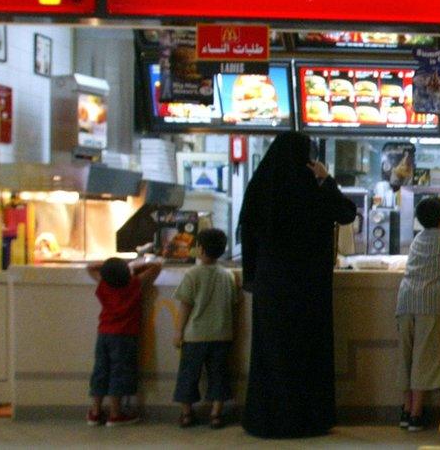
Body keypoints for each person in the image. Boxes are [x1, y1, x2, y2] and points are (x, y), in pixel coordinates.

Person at [240, 131, 358, 438]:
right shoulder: (311, 187)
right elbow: (346, 213)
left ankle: (267, 419)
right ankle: (307, 419)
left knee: (271, 353)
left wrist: (252, 278)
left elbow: (248, 238)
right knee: (307, 352)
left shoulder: (260, 186)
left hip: (270, 285)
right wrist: (326, 179)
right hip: (309, 286)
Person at [172, 228, 238, 429]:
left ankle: (186, 414)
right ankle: (216, 414)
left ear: (199, 249)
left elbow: (185, 304)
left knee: (188, 376)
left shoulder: (192, 274)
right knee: (219, 376)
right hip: (221, 335)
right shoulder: (228, 275)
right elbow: (234, 303)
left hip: (195, 336)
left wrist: (178, 331)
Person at [86, 256, 163, 427]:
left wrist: (111, 266)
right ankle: (115, 413)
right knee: (118, 373)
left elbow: (90, 267)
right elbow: (157, 266)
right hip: (125, 336)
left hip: (104, 334)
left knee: (101, 371)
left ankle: (95, 412)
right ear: (126, 273)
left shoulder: (103, 284)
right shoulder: (134, 284)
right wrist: (134, 266)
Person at [395, 197, 440, 432]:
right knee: (424, 358)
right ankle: (417, 414)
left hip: (406, 299)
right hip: (430, 302)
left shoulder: (418, 238)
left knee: (406, 356)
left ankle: (406, 411)